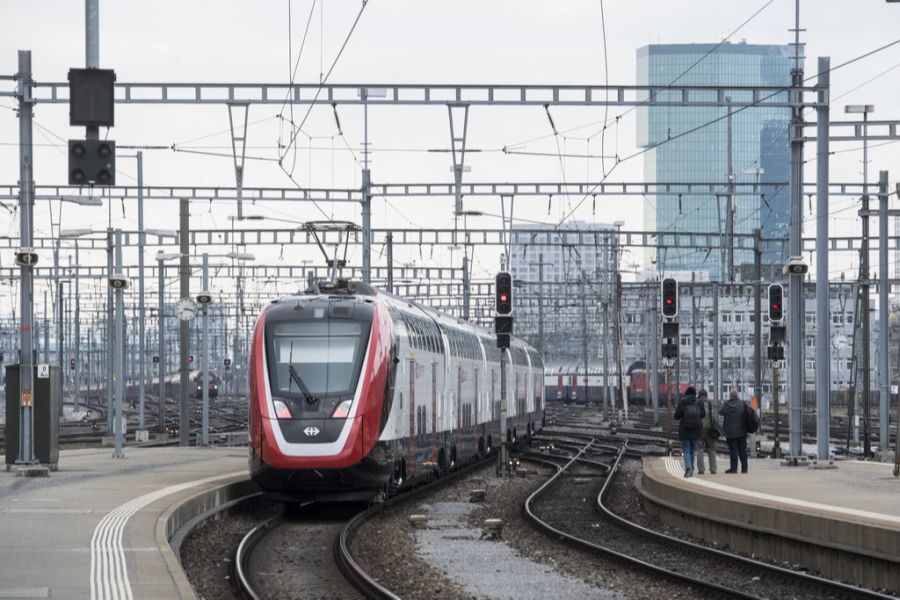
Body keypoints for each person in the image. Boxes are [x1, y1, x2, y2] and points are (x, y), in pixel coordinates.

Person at [674, 385, 705, 478]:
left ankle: (688, 468)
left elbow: (676, 416)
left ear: (686, 393)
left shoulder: (682, 402)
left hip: (685, 429)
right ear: (695, 394)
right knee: (692, 449)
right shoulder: (699, 402)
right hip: (696, 429)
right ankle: (691, 468)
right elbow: (703, 414)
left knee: (686, 449)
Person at [719, 389, 749, 474]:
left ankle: (733, 468)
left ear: (730, 396)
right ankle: (744, 468)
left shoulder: (727, 404)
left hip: (730, 432)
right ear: (737, 396)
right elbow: (749, 412)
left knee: (733, 450)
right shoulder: (742, 404)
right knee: (742, 450)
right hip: (742, 431)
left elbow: (720, 412)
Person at [695, 389, 719, 475]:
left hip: (699, 429)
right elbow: (713, 417)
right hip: (709, 429)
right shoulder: (709, 403)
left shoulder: (696, 403)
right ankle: (713, 469)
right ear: (706, 396)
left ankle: (701, 469)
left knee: (699, 449)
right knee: (712, 449)